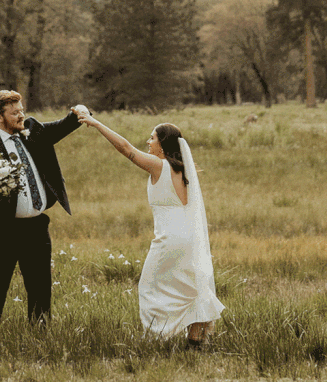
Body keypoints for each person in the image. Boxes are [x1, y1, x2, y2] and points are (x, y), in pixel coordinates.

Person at [77, 111, 224, 346]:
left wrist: (96, 124)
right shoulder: (184, 169)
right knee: (191, 286)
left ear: (163, 143)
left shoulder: (159, 165)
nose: (148, 142)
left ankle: (156, 336)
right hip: (189, 237)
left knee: (149, 287)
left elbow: (126, 149)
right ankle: (195, 341)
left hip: (169, 238)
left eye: (152, 138)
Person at [0, 91, 84, 331]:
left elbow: (59, 128)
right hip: (1, 228)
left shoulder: (32, 131)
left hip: (36, 226)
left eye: (21, 110)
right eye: (14, 112)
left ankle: (39, 333)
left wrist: (77, 114)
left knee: (40, 285)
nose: (21, 115)